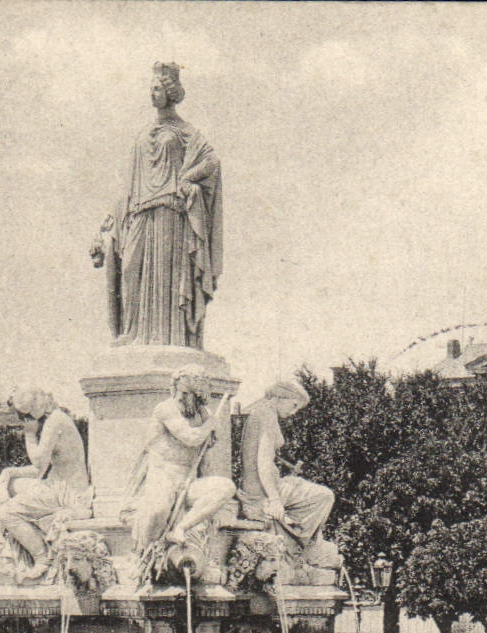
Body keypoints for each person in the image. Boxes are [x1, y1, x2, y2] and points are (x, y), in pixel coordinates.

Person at [89, 62, 222, 349]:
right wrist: (107, 224)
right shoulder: (141, 134)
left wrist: (188, 177)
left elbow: (212, 162)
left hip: (169, 215)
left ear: (171, 92)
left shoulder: (185, 132)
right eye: (151, 88)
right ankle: (132, 333)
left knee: (165, 281)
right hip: (138, 213)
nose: (153, 93)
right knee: (130, 273)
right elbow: (127, 185)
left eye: (158, 88)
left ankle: (168, 337)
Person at [125, 367, 234, 558]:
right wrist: (211, 425)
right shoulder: (166, 409)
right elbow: (191, 438)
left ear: (198, 396)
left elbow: (205, 455)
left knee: (225, 487)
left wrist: (210, 431)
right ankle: (146, 554)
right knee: (158, 510)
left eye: (188, 394)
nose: (182, 397)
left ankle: (180, 528)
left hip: (187, 482)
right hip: (163, 479)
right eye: (180, 391)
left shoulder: (203, 414)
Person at [0, 388, 92, 580]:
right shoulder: (57, 419)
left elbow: (38, 465)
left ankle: (42, 558)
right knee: (6, 483)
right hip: (58, 484)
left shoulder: (54, 423)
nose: (24, 421)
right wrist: (10, 472)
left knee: (6, 512)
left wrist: (30, 434)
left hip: (66, 491)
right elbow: (39, 470)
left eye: (24, 417)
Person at [238, 378, 336, 564]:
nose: (293, 412)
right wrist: (275, 500)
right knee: (325, 496)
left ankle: (302, 545)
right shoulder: (266, 415)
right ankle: (301, 549)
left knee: (305, 488)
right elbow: (263, 462)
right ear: (279, 397)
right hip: (262, 492)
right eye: (293, 405)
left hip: (263, 486)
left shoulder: (260, 412)